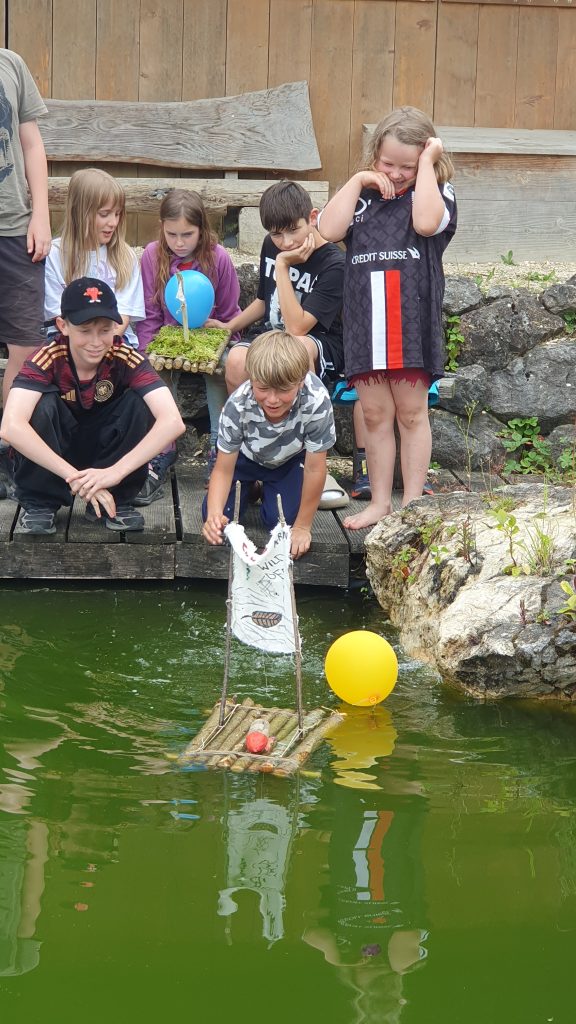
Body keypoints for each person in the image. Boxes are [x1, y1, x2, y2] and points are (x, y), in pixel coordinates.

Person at [319, 106, 457, 530]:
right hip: (365, 320)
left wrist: (429, 165)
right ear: (374, 157)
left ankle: (413, 504)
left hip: (410, 319)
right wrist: (359, 179)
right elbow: (327, 229)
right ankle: (380, 501)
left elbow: (426, 221)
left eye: (408, 166)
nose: (396, 174)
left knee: (412, 413)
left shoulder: (437, 192)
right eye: (387, 163)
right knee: (375, 414)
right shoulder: (362, 194)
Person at [0, 277, 185, 535]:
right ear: (63, 326)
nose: (96, 341)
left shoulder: (125, 356)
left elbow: (173, 421)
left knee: (139, 402)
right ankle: (40, 503)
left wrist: (113, 474)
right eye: (85, 331)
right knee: (41, 405)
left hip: (107, 455)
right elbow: (10, 427)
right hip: (56, 456)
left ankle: (117, 498)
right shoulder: (48, 356)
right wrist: (79, 479)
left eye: (105, 330)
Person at [136, 189, 241, 497]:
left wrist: (222, 338)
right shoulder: (152, 256)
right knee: (153, 373)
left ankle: (219, 451)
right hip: (167, 337)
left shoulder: (217, 257)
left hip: (208, 339)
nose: (179, 242)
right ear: (161, 228)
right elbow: (149, 313)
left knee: (220, 369)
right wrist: (149, 350)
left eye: (187, 234)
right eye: (172, 234)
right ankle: (162, 449)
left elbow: (229, 310)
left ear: (202, 230)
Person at [202, 330, 335, 560]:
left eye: (283, 390)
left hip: (290, 460)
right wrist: (214, 515)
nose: (272, 400)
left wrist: (303, 527)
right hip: (245, 459)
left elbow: (316, 467)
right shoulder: (238, 404)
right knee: (219, 516)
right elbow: (223, 469)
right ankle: (252, 487)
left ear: (300, 381)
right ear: (252, 379)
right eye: (263, 389)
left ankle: (268, 489)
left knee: (282, 523)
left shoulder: (317, 402)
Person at [207, 179, 344, 393]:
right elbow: (264, 301)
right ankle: (252, 424)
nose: (286, 242)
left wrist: (282, 265)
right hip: (271, 333)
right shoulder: (270, 245)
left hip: (315, 340)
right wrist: (229, 327)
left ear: (312, 218)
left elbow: (297, 329)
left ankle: (301, 423)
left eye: (293, 230)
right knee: (235, 361)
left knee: (296, 352)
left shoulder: (334, 264)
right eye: (276, 234)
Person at [0, 48, 51, 409]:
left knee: (27, 346)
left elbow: (31, 145)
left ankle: (9, 443)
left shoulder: (11, 64)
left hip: (15, 228)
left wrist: (41, 214)